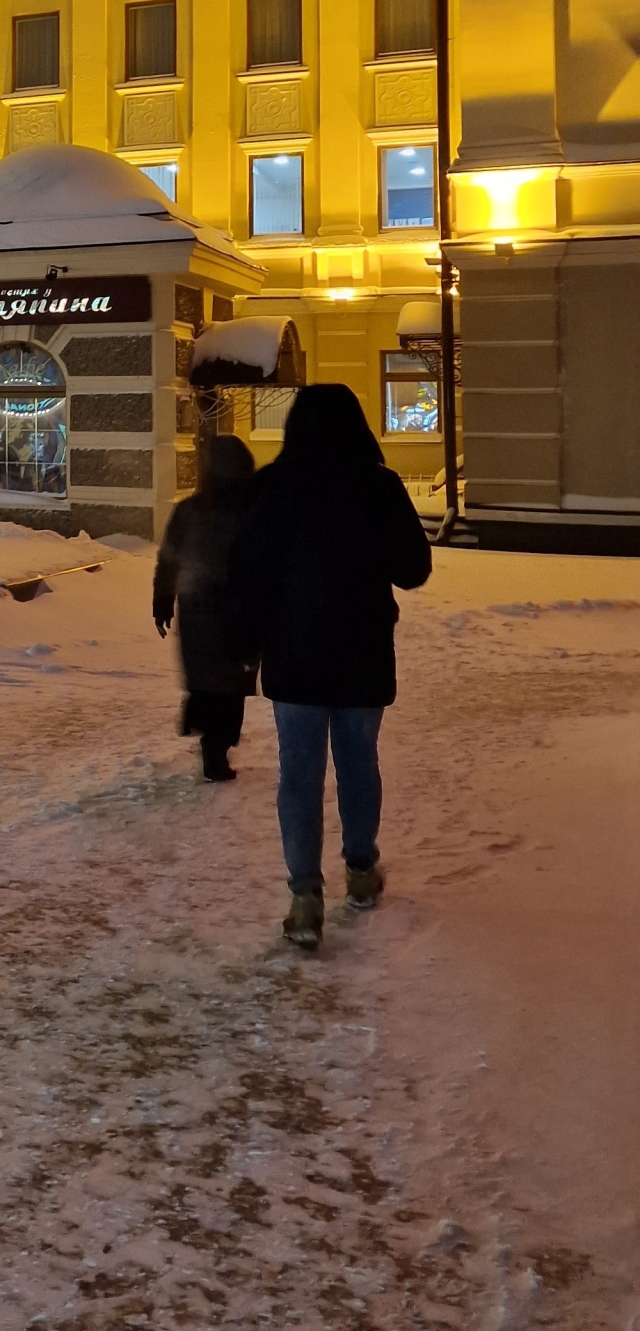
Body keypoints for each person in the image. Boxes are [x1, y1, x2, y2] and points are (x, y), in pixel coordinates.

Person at [227, 382, 432, 949]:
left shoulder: (272, 487)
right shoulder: (379, 486)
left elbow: (246, 572)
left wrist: (246, 642)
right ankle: (361, 872)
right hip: (362, 649)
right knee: (358, 760)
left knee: (299, 772)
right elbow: (413, 568)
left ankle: (303, 897)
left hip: (294, 651)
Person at [152, 435, 259, 782]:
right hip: (239, 611)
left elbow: (169, 560)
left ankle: (211, 743)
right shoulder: (251, 510)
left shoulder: (190, 510)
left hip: (198, 607)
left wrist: (163, 599)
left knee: (206, 680)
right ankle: (217, 748)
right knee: (229, 683)